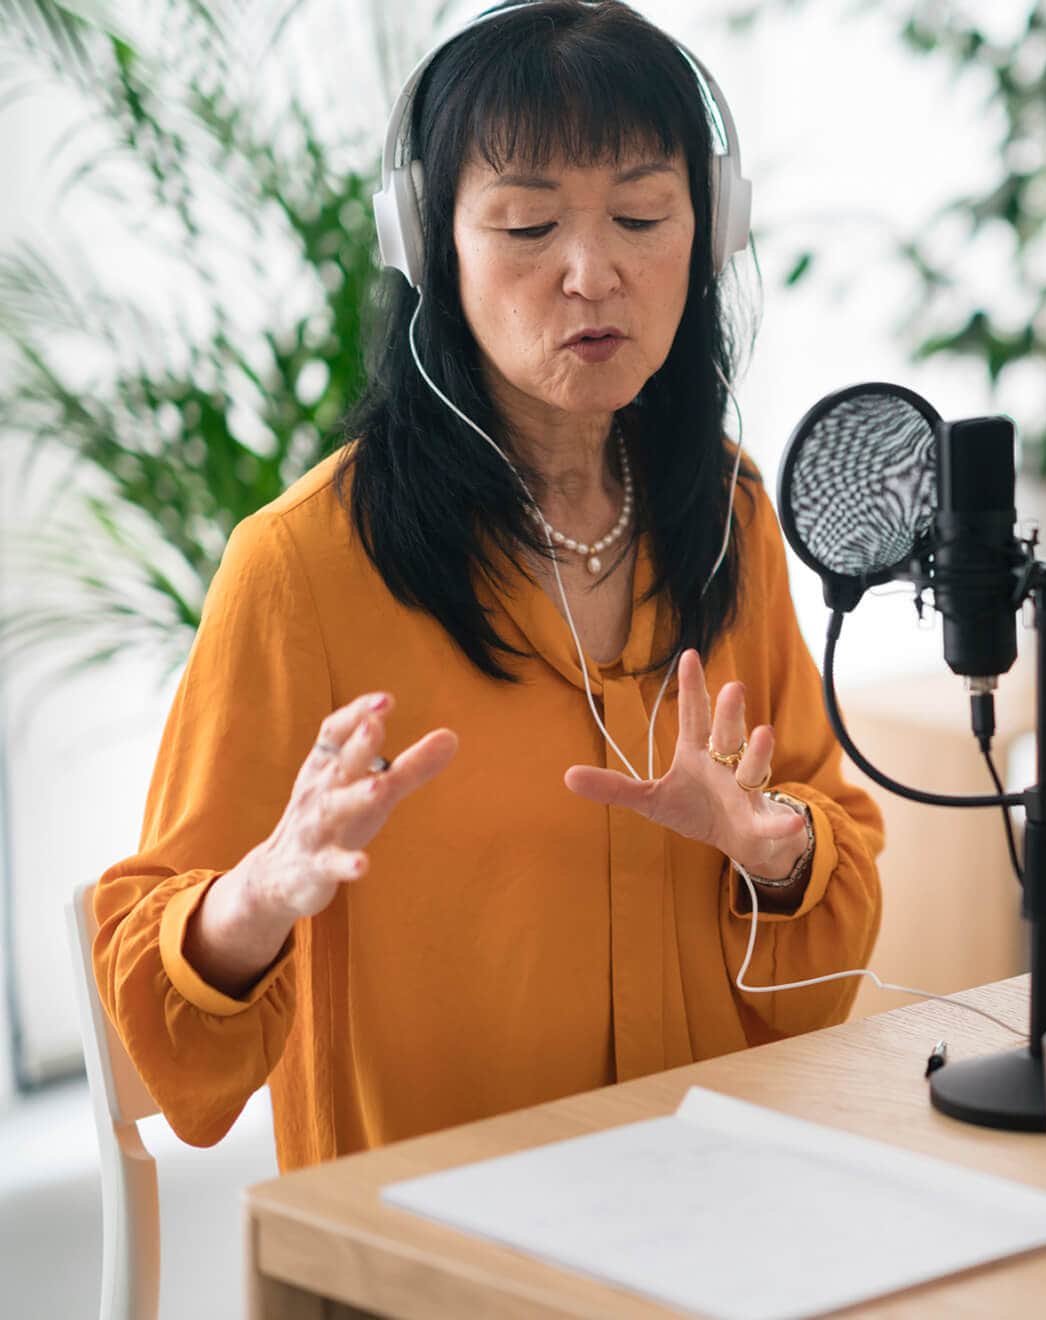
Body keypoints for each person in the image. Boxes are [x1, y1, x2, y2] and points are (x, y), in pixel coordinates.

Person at [91, 0, 883, 1170]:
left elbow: (833, 897)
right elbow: (160, 1008)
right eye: (525, 226)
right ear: (429, 245)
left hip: (723, 1204)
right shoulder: (301, 566)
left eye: (641, 215)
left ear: (708, 236)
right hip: (431, 1246)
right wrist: (262, 893)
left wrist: (772, 849)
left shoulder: (728, 513)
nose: (590, 273)